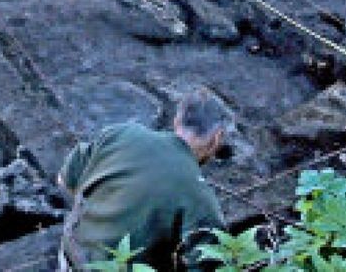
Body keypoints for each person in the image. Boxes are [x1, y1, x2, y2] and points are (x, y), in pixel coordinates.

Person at [58, 87, 230, 270]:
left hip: (72, 256)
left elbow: (64, 180)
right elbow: (207, 264)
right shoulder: (200, 196)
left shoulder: (119, 133)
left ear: (177, 120)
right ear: (217, 138)